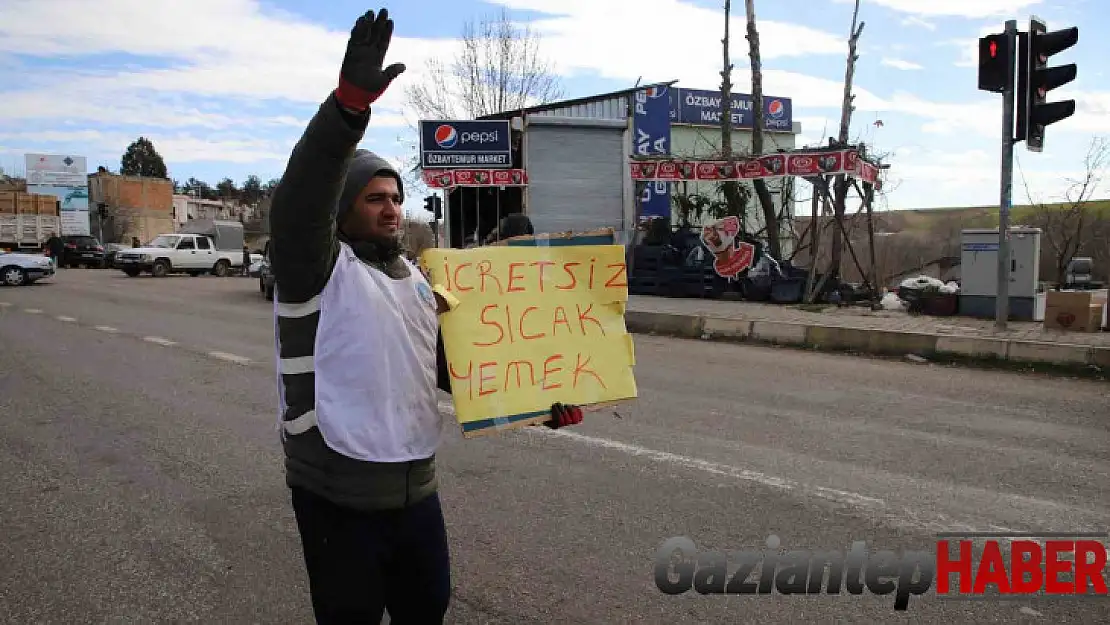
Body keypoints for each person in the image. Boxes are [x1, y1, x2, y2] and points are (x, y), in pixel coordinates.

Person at [267, 9, 584, 624]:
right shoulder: (316, 268)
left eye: (396, 198)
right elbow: (304, 194)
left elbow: (456, 368)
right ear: (342, 209)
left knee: (426, 609)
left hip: (416, 490)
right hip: (335, 492)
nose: (390, 209)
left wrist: (541, 402)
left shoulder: (416, 277)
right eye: (373, 198)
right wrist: (347, 108)